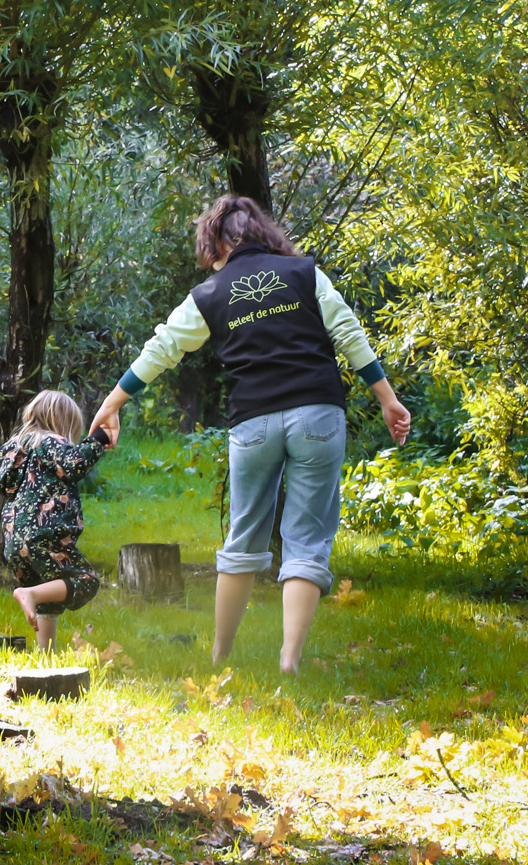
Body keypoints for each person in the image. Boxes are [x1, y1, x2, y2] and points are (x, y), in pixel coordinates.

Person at [89, 195, 409, 673]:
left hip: (253, 423)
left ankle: (219, 656)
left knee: (243, 540)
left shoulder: (210, 294)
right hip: (317, 414)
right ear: (262, 233)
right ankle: (289, 657)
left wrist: (114, 400)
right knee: (307, 538)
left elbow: (164, 347)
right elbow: (347, 331)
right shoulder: (304, 273)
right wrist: (387, 398)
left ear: (216, 242)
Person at [0, 390, 119, 650]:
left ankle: (46, 654)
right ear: (63, 422)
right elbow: (74, 463)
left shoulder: (17, 448)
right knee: (85, 581)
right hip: (44, 536)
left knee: (49, 592)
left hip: (15, 541)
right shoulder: (50, 441)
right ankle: (28, 594)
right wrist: (98, 439)